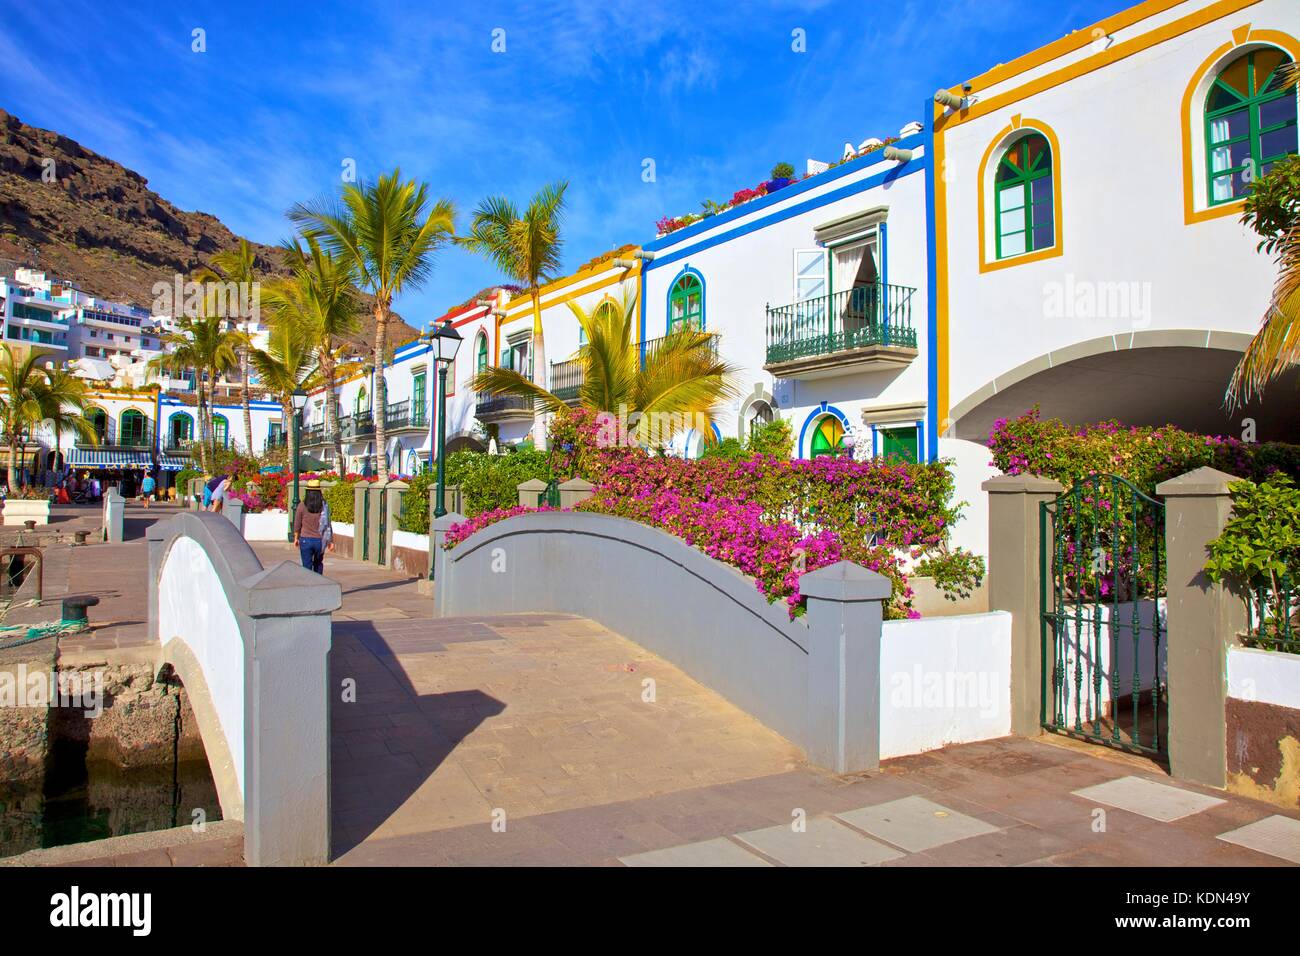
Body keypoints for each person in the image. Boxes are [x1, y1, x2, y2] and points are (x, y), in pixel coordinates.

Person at [294, 484, 328, 574]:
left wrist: (296, 538)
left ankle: (308, 585)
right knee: (318, 564)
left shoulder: (302, 505)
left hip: (305, 539)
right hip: (320, 541)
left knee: (306, 566)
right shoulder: (323, 506)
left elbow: (297, 524)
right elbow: (327, 524)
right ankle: (318, 584)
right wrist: (330, 541)